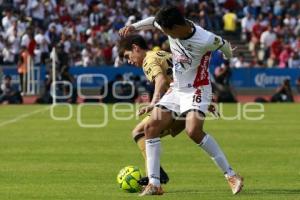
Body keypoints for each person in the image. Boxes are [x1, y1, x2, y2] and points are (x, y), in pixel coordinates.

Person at [119, 6, 243, 196]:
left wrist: (228, 54)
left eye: (167, 31)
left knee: (193, 131)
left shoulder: (205, 38)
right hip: (177, 88)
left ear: (177, 27)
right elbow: (153, 20)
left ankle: (232, 175)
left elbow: (224, 44)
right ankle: (154, 184)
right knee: (150, 127)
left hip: (198, 87)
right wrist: (134, 26)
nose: (165, 35)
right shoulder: (168, 26)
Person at [118, 34, 186, 186]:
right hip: (188, 102)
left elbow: (160, 80)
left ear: (136, 48)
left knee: (139, 132)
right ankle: (155, 175)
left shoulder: (148, 59)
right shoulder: (160, 53)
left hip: (178, 105)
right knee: (148, 133)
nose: (129, 61)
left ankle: (154, 175)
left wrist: (153, 102)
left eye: (128, 56)